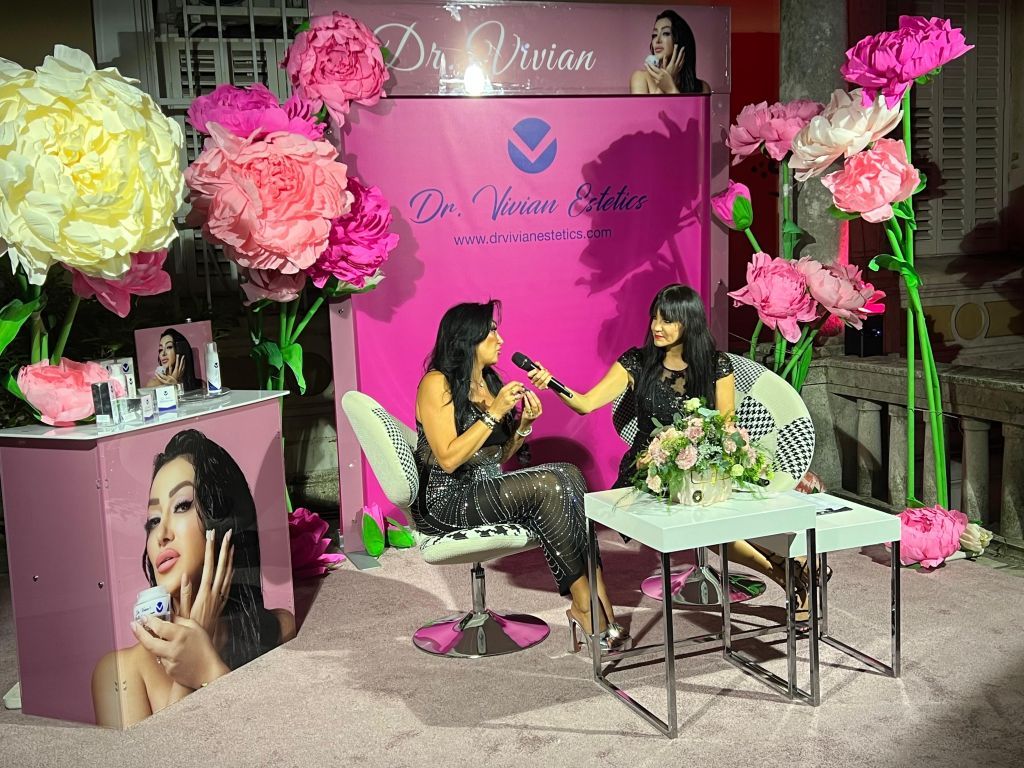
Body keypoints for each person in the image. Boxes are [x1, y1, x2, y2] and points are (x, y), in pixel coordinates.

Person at [527, 284, 815, 618]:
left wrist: (704, 459)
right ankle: (789, 570)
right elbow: (586, 403)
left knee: (712, 519)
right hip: (647, 468)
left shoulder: (716, 364)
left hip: (701, 464)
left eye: (667, 320)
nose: (657, 327)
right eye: (654, 318)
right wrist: (552, 382)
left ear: (688, 322)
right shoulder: (636, 362)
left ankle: (788, 573)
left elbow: (725, 426)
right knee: (706, 524)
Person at [414, 301, 629, 651]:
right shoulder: (437, 383)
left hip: (484, 489)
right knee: (550, 483)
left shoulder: (488, 382)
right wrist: (495, 412)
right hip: (447, 500)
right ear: (468, 338)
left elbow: (497, 456)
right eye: (492, 332)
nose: (500, 340)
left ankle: (599, 602)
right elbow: (450, 459)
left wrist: (524, 426)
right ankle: (586, 607)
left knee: (569, 474)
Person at [92, 429, 295, 727]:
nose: (161, 535)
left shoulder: (278, 629)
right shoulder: (120, 673)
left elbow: (276, 741)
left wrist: (208, 668)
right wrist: (187, 671)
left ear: (223, 519)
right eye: (153, 520)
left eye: (182, 506)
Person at [630, 10, 710, 95]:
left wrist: (671, 89)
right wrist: (663, 86)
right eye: (654, 35)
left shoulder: (702, 87)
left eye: (666, 33)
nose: (657, 40)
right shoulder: (640, 78)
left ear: (680, 40)